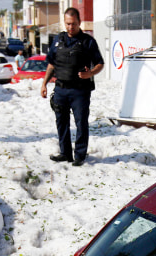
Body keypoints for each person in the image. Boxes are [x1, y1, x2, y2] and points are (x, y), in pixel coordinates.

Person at [41, 7, 104, 167]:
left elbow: (100, 63)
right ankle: (65, 153)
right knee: (61, 122)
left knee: (81, 123)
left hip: (80, 91)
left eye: (74, 24)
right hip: (61, 89)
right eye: (68, 24)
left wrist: (90, 74)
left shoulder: (88, 41)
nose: (70, 27)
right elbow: (51, 64)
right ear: (65, 22)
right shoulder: (58, 40)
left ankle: (79, 155)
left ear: (79, 22)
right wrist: (44, 84)